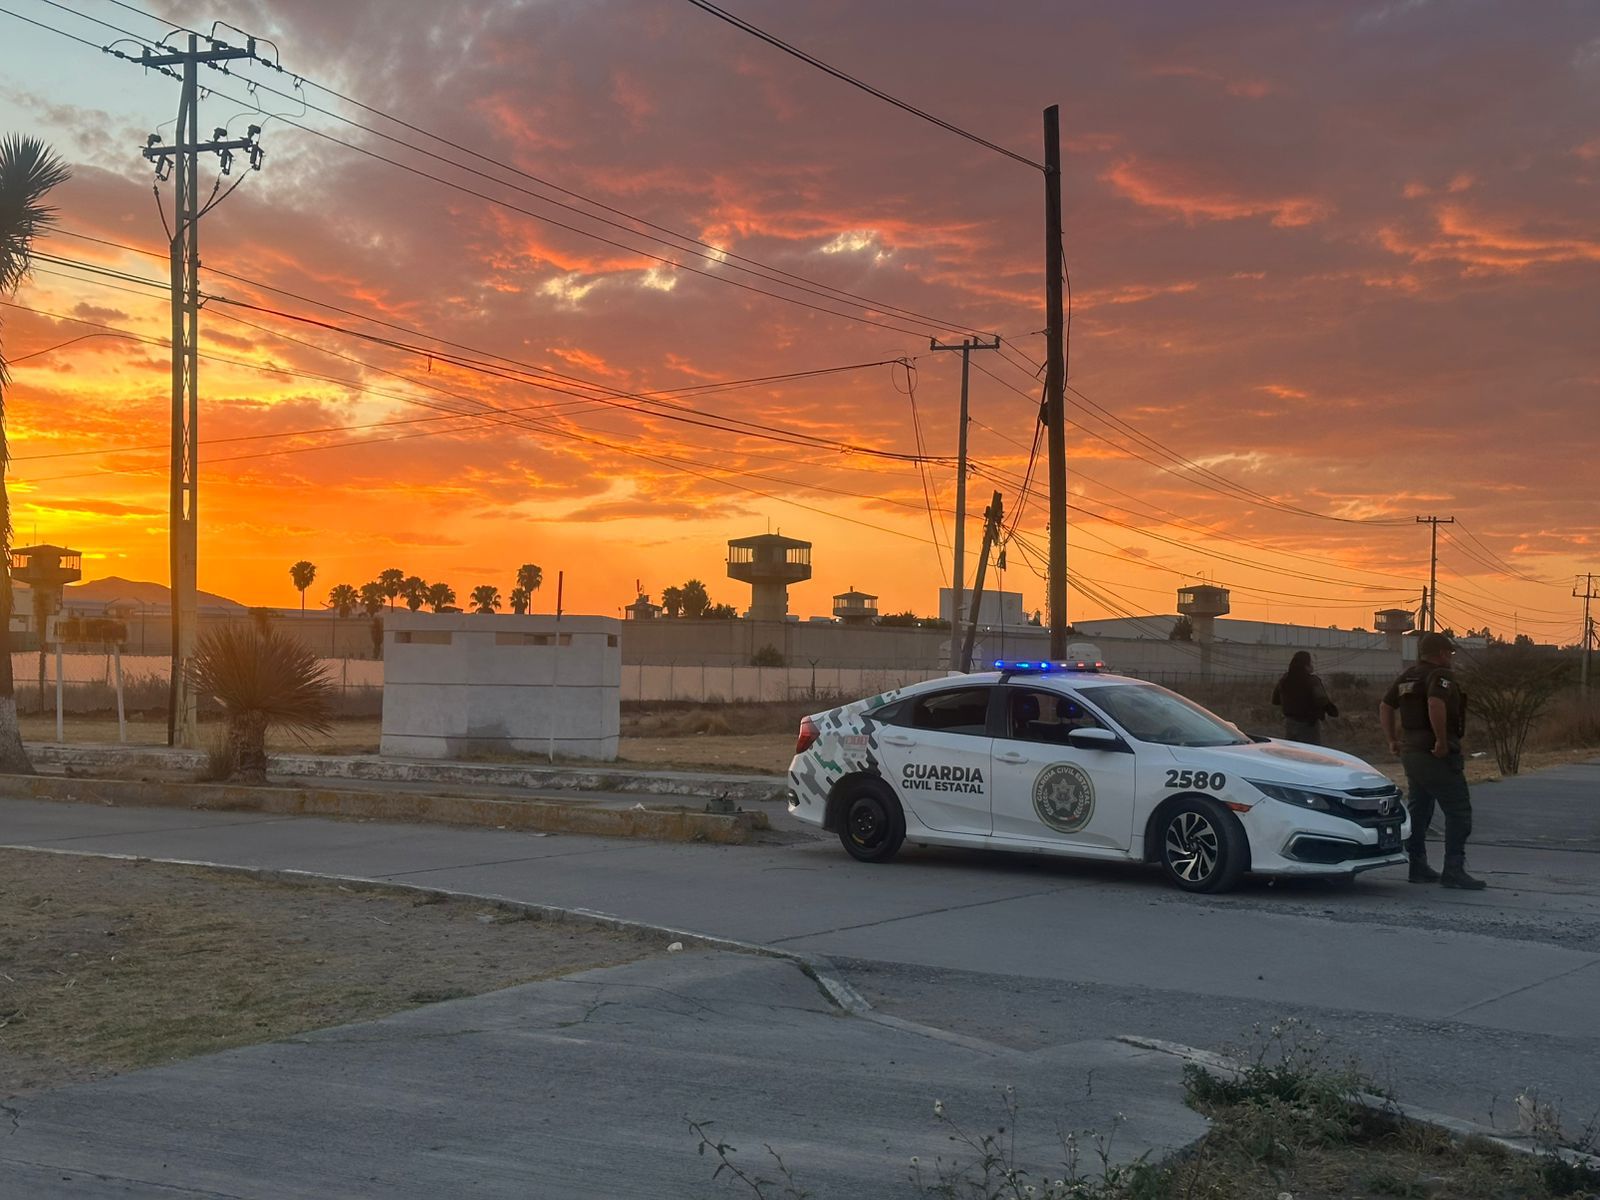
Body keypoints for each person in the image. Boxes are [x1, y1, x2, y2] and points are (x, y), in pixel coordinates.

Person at [1379, 632, 1485, 889]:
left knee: (1420, 809)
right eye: (1449, 652)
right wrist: (1441, 741)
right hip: (1433, 753)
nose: (1450, 657)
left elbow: (1385, 705)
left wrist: (1392, 739)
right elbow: (1435, 703)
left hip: (1411, 752)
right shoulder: (1441, 675)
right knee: (1458, 810)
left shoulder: (1408, 675)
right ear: (1440, 653)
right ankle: (1453, 870)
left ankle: (1417, 865)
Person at [1271, 651, 1338, 745]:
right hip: (1309, 725)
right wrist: (1331, 710)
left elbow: (1275, 700)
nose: (1312, 665)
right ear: (1306, 665)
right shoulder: (1312, 681)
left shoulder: (1285, 679)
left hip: (1290, 724)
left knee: (1292, 751)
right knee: (1311, 752)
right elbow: (1321, 700)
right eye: (1311, 663)